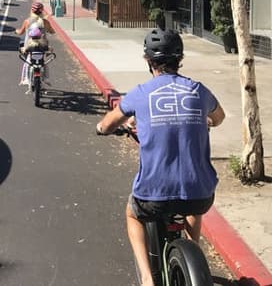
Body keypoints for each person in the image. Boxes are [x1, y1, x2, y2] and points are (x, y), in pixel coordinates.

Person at [95, 28, 225, 286]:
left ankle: (146, 278)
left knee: (133, 213)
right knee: (191, 206)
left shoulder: (141, 94)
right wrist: (201, 120)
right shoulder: (198, 90)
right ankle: (193, 250)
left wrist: (101, 129)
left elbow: (107, 124)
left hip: (153, 197)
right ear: (180, 59)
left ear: (148, 61)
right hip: (200, 195)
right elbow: (218, 118)